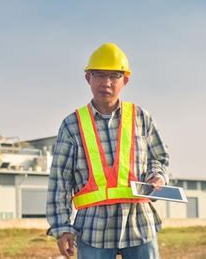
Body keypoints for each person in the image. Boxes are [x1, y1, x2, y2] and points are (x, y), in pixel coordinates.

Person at [46, 43, 169, 259]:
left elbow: (158, 158)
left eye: (114, 76)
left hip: (139, 225)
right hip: (94, 230)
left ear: (125, 80)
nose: (106, 83)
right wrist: (62, 227)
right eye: (99, 75)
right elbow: (60, 181)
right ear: (88, 78)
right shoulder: (72, 125)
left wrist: (157, 176)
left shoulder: (141, 118)